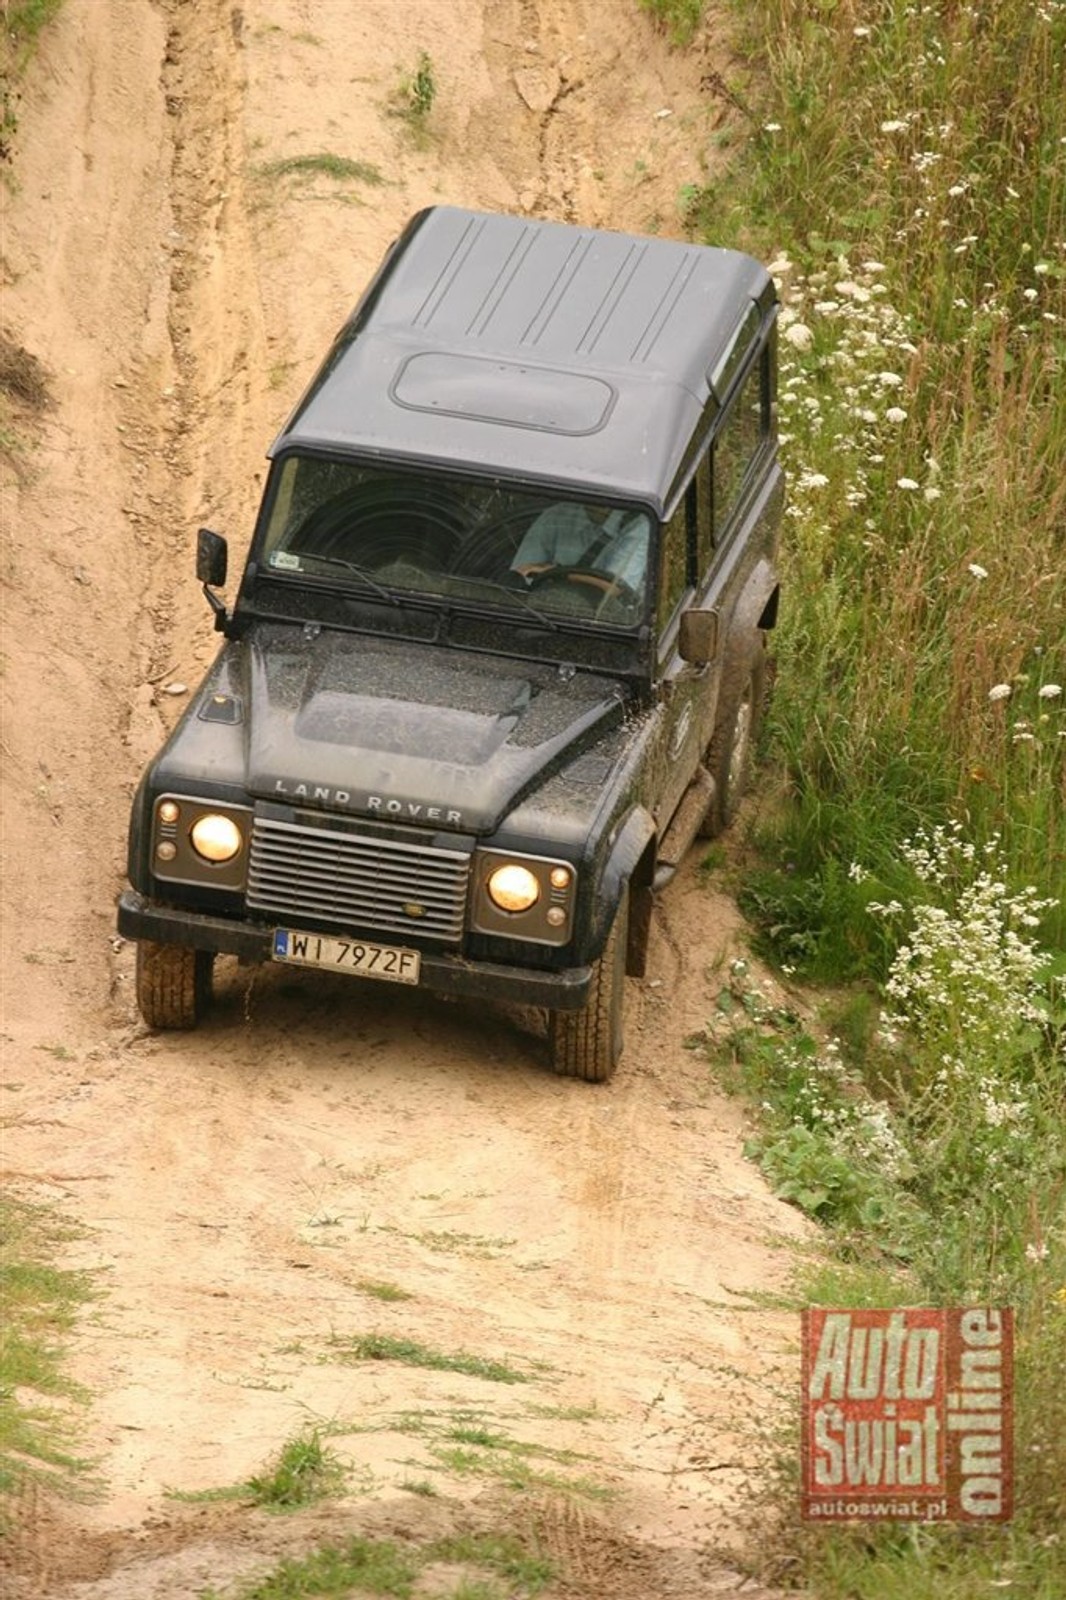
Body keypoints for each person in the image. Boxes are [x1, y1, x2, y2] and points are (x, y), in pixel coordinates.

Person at [511, 501, 649, 597]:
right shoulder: (558, 515)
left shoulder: (638, 526)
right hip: (546, 610)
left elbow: (615, 589)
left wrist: (557, 573)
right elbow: (520, 574)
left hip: (605, 621)